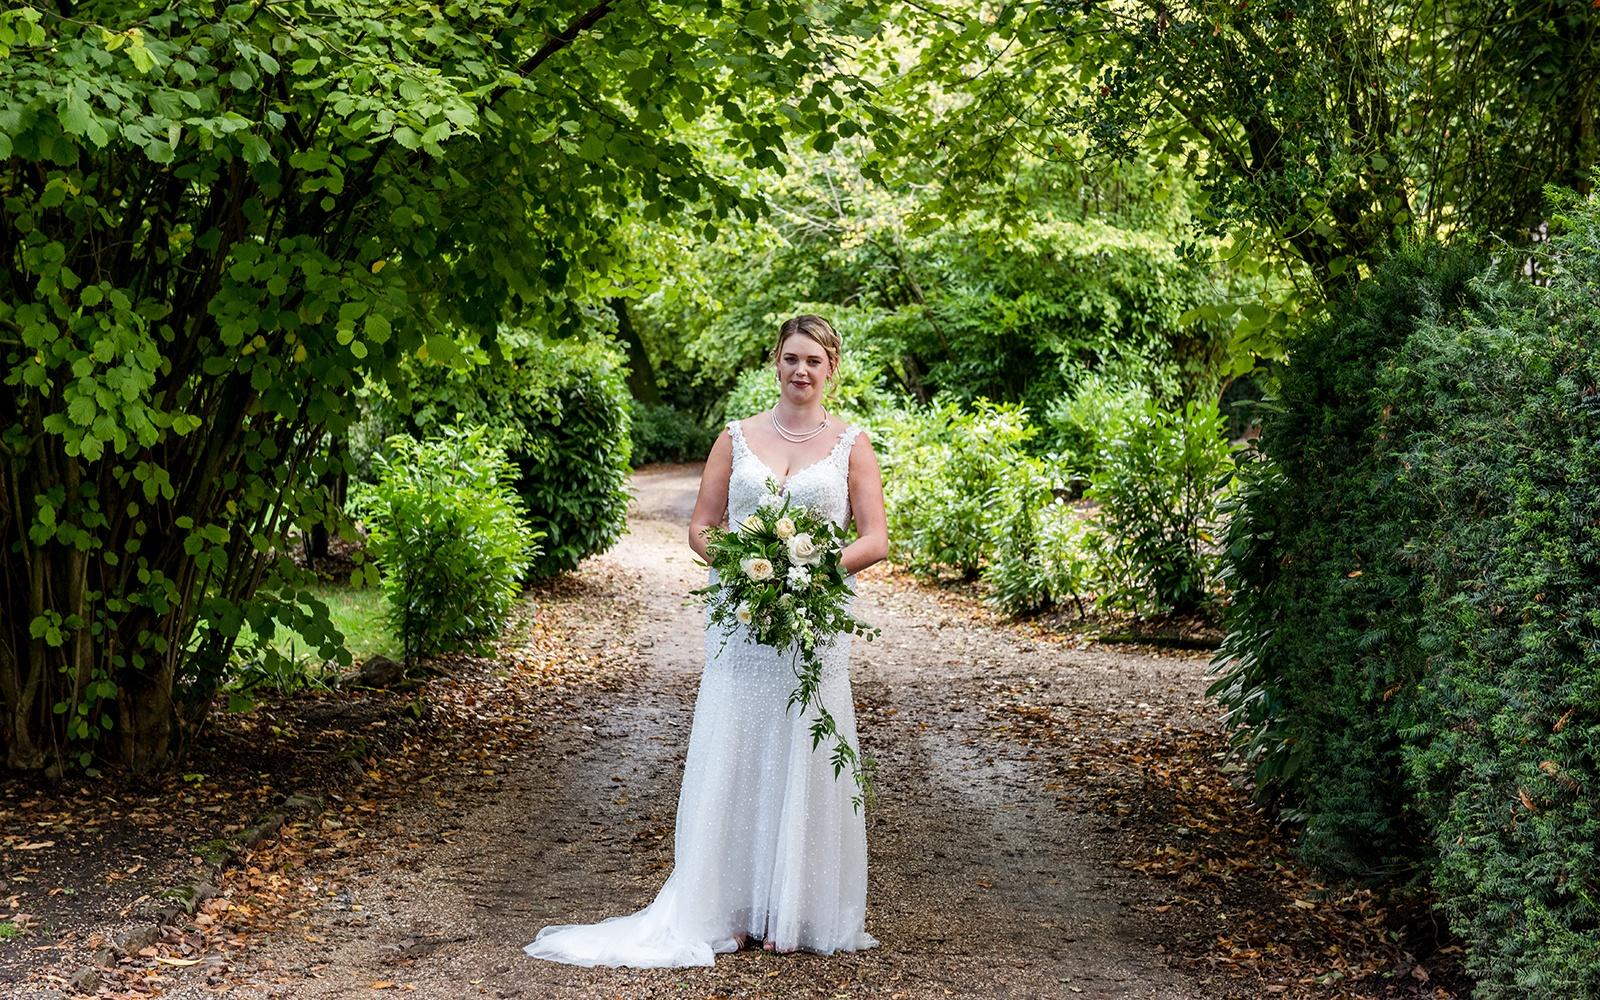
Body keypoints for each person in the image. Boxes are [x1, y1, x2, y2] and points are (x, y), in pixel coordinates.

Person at [523, 314, 888, 967]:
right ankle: (733, 909)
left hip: (815, 624)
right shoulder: (737, 437)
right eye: (790, 358)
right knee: (738, 745)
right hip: (741, 621)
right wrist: (750, 566)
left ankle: (794, 909)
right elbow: (701, 527)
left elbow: (874, 538)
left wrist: (809, 572)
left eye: (814, 361)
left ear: (832, 367)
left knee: (804, 745)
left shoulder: (852, 444)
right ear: (775, 361)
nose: (801, 371)